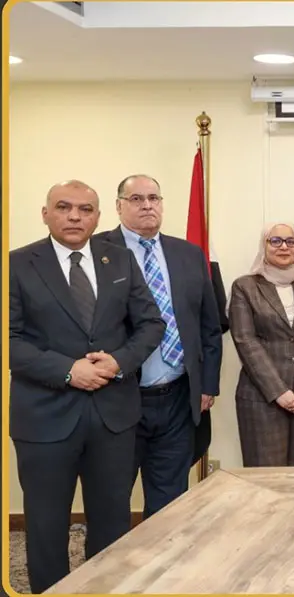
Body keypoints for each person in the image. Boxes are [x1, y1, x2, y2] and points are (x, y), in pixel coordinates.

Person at [9, 180, 165, 593]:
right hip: (44, 419)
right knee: (45, 525)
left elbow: (151, 324)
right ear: (46, 214)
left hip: (113, 416)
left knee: (112, 523)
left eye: (86, 209)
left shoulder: (120, 259)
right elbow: (9, 339)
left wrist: (119, 361)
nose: (75, 216)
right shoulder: (17, 264)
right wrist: (67, 370)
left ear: (99, 217)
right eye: (64, 207)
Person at [94, 174, 223, 519]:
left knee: (169, 504)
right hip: (118, 397)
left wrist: (207, 384)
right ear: (119, 206)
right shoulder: (96, 251)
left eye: (153, 198)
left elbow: (209, 326)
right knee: (110, 501)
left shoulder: (189, 253)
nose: (147, 205)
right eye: (136, 199)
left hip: (178, 397)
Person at [228, 223, 294, 466]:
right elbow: (245, 340)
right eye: (275, 241)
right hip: (262, 399)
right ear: (264, 245)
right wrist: (278, 391)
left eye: (291, 241)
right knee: (266, 479)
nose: (284, 247)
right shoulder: (245, 287)